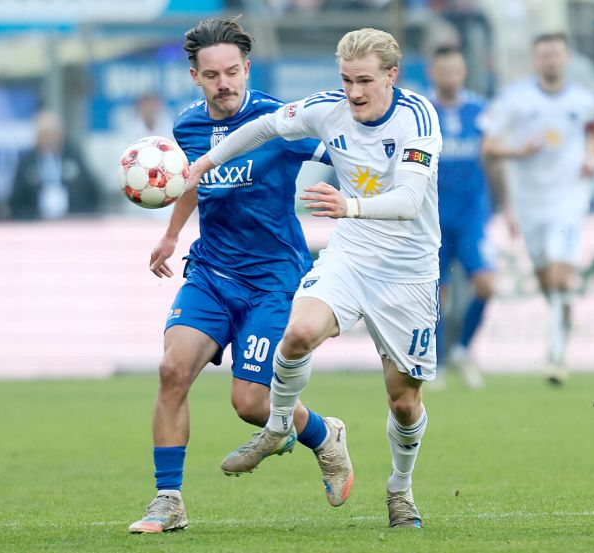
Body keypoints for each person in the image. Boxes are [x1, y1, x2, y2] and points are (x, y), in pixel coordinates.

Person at [185, 27, 442, 529]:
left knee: (404, 401)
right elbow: (261, 129)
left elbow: (410, 202)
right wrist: (208, 162)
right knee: (298, 332)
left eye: (365, 80)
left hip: (407, 272)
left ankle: (400, 489)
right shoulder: (327, 108)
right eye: (346, 80)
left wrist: (349, 204)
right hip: (350, 255)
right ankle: (280, 427)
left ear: (392, 75)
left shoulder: (418, 117)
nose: (354, 93)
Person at [128, 17, 352, 535]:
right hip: (211, 271)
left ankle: (324, 435)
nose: (224, 83)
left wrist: (356, 201)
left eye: (232, 71)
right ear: (194, 77)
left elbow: (343, 156)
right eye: (212, 75)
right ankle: (168, 500)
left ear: (247, 67)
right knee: (171, 371)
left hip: (273, 278)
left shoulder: (278, 119)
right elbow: (191, 178)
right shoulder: (187, 126)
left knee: (251, 405)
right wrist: (171, 236)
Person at [480, 32, 594, 385]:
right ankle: (561, 315)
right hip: (529, 202)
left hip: (569, 197)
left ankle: (556, 356)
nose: (550, 60)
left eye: (556, 54)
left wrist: (591, 158)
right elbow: (489, 147)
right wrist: (517, 153)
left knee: (559, 268)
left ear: (566, 59)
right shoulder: (515, 100)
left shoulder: (583, 100)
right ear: (536, 61)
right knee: (546, 277)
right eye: (544, 55)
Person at [426, 46, 511, 389]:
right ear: (434, 73)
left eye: (456, 70)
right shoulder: (424, 111)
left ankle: (462, 349)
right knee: (435, 294)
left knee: (486, 285)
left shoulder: (481, 110)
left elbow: (494, 158)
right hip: (433, 219)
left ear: (463, 73)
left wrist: (508, 206)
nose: (450, 77)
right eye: (444, 70)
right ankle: (439, 364)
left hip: (473, 216)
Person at [9, 111, 101, 220]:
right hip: (36, 227)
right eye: (43, 135)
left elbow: (93, 192)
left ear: (60, 134)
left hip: (73, 225)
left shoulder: (74, 158)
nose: (48, 140)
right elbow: (16, 201)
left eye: (52, 134)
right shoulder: (26, 163)